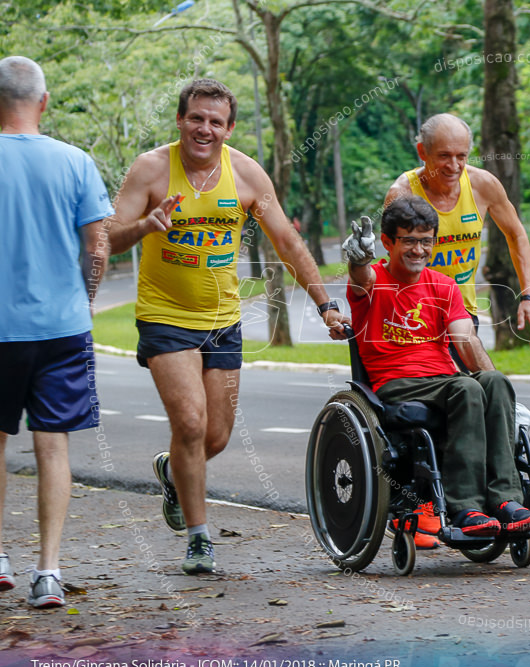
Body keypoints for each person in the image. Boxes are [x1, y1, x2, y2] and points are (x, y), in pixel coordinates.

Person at [107, 78, 347, 575]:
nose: (205, 128)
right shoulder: (152, 169)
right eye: (196, 117)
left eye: (216, 121)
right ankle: (199, 538)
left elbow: (286, 241)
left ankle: (173, 471)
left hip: (221, 322)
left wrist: (325, 304)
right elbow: (108, 238)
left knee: (215, 436)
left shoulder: (246, 174)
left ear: (229, 128)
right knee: (190, 424)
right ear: (180, 120)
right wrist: (146, 226)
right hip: (164, 316)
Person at [343, 196, 530, 537]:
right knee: (464, 387)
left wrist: (502, 399)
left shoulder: (444, 286)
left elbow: (466, 341)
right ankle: (465, 507)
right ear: (388, 243)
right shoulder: (374, 280)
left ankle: (507, 501)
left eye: (426, 241)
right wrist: (358, 259)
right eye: (409, 241)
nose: (419, 250)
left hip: (442, 380)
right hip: (395, 382)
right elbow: (361, 278)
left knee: (493, 382)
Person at [0, 56, 113, 607]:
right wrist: (85, 301)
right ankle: (47, 571)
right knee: (53, 447)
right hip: (62, 327)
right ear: (43, 102)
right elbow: (98, 246)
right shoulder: (76, 162)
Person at [384, 113, 530, 349]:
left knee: (472, 383)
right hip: (414, 316)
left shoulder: (483, 185)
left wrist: (529, 297)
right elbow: (392, 258)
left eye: (462, 156)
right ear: (422, 152)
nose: (454, 166)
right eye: (444, 156)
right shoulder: (402, 194)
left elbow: (516, 234)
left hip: (463, 314)